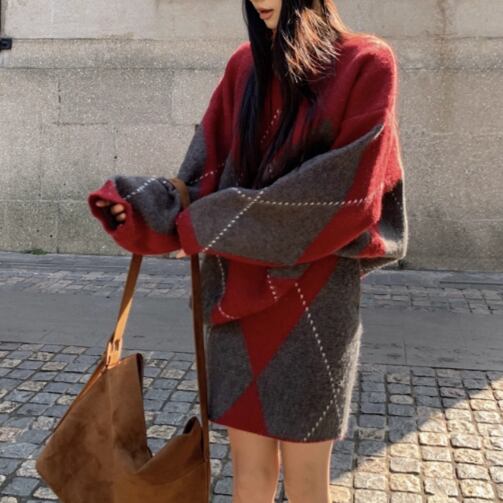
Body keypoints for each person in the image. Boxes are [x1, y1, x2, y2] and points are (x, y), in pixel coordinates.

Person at [88, 0, 408, 501]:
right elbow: (204, 173)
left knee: (306, 481)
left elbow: (345, 196)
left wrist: (205, 224)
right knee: (248, 474)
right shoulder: (244, 66)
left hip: (317, 302)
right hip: (237, 294)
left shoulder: (367, 62)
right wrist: (142, 206)